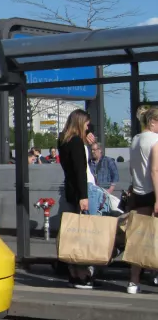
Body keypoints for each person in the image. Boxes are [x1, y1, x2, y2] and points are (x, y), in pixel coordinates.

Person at [58, 109, 105, 289]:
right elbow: (79, 170)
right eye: (86, 124)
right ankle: (83, 273)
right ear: (80, 123)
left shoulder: (64, 140)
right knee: (85, 234)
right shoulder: (77, 141)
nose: (88, 127)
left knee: (74, 233)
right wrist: (83, 196)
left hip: (71, 189)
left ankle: (73, 271)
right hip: (83, 190)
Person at [126, 107, 158, 294]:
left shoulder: (135, 139)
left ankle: (133, 281)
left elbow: (132, 169)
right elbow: (155, 171)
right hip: (152, 192)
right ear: (152, 121)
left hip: (138, 193)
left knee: (138, 238)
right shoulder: (155, 140)